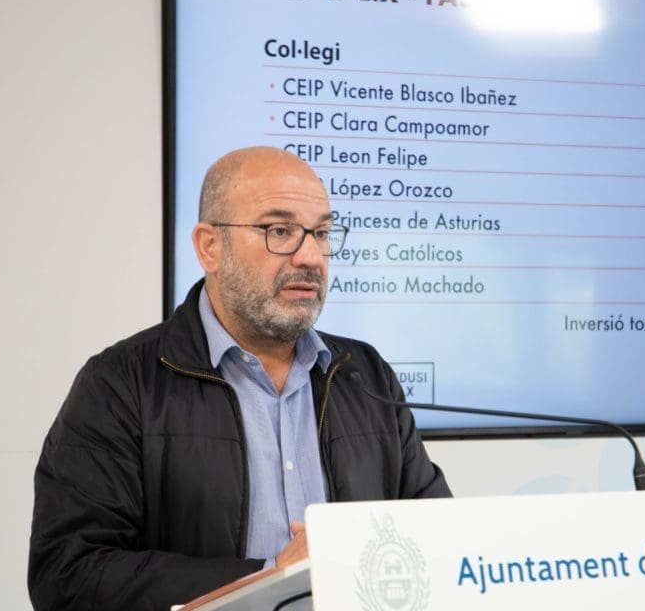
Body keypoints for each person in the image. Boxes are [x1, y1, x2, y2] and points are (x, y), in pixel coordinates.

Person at [28, 146, 450, 611]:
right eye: (279, 231)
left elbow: (438, 536)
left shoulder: (362, 374)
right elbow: (68, 575)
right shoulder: (121, 384)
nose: (310, 256)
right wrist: (270, 576)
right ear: (210, 247)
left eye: (321, 233)